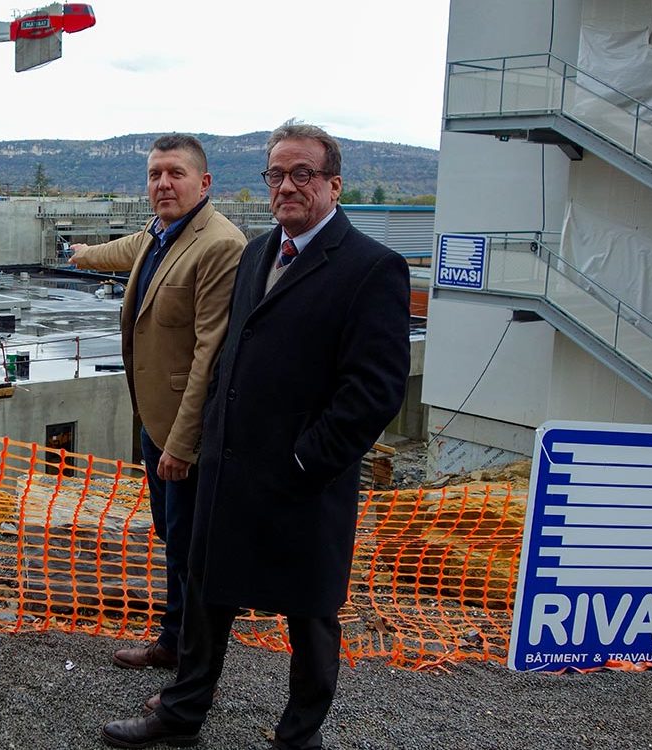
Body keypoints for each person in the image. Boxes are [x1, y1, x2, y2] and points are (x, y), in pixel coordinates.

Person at [101, 122, 411, 749]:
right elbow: (228, 358)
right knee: (207, 598)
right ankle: (183, 713)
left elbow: (374, 390)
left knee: (311, 616)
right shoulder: (259, 253)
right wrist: (210, 438)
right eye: (276, 174)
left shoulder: (371, 267)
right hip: (231, 469)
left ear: (332, 183)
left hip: (303, 482)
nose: (287, 186)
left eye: (303, 174)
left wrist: (304, 462)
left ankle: (299, 737)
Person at [70, 134, 245, 671]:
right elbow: (127, 251)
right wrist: (81, 255)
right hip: (154, 420)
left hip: (182, 433)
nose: (163, 183)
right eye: (154, 174)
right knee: (173, 539)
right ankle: (173, 642)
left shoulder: (220, 245)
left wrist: (182, 444)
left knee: (194, 552)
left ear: (204, 183)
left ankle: (192, 666)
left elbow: (209, 356)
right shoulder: (162, 232)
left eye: (175, 173)